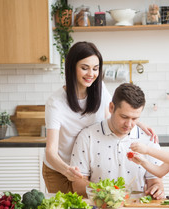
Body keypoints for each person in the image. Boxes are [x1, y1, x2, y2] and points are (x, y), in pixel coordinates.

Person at [43, 41, 156, 194]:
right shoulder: (56, 103)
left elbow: (116, 111)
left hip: (85, 167)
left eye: (95, 69)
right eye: (84, 68)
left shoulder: (99, 89)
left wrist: (136, 123)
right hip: (60, 168)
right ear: (71, 67)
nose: (91, 74)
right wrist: (67, 170)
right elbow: (50, 152)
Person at [71, 83, 165, 199]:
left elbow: (155, 181)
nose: (129, 124)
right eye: (124, 117)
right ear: (111, 108)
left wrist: (157, 188)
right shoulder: (87, 136)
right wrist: (108, 195)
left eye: (135, 118)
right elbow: (78, 184)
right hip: (101, 208)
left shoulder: (148, 139)